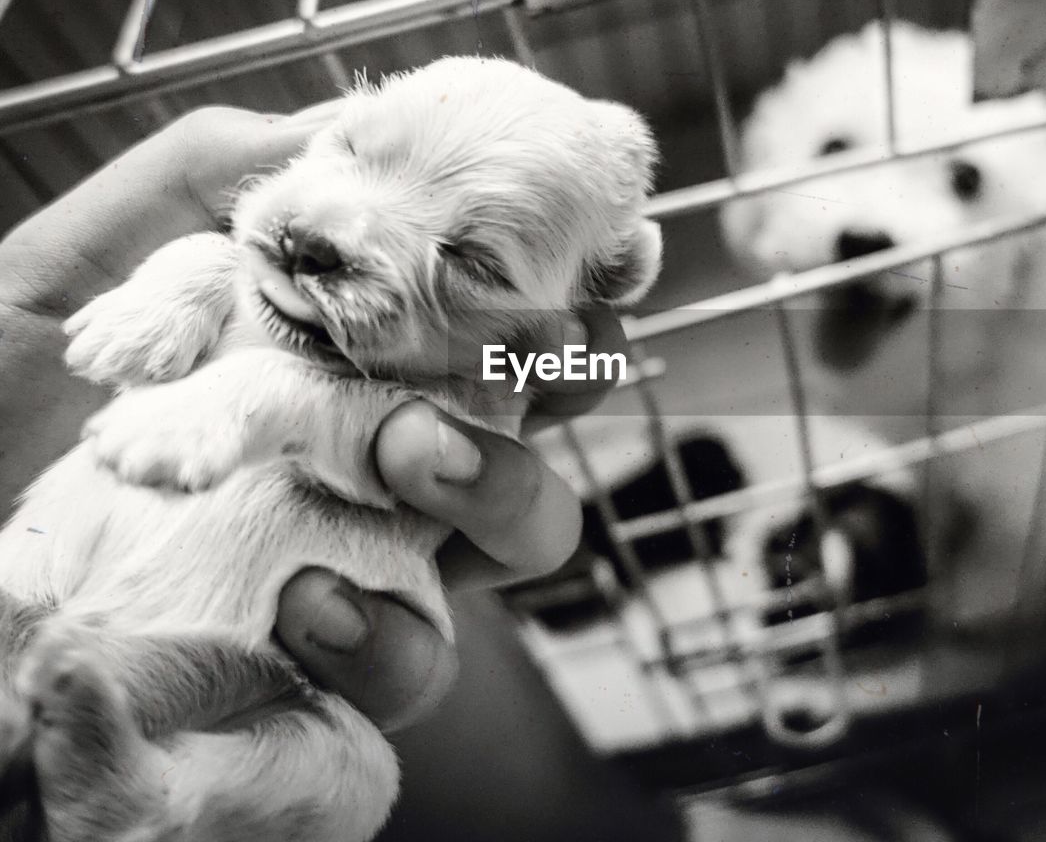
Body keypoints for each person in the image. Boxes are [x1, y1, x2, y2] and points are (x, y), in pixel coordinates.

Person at [0, 106, 684, 840]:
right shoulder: (219, 268)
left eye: (472, 261)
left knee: (354, 771)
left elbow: (366, 426)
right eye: (352, 148)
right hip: (31, 591)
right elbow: (206, 271)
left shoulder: (478, 386)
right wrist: (177, 289)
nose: (331, 227)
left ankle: (140, 806)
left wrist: (250, 400)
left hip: (230, 683)